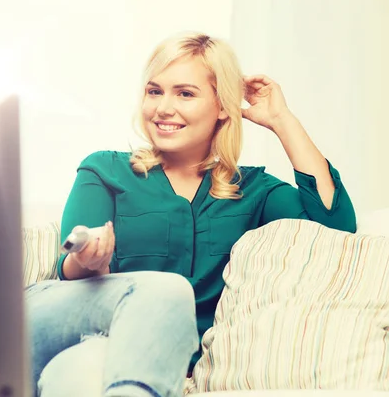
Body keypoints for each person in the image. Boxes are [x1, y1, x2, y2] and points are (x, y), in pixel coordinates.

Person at [25, 31, 356, 397]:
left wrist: (282, 120)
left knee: (78, 372)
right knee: (165, 292)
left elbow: (335, 228)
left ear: (223, 106)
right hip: (69, 319)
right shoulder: (105, 169)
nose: (163, 108)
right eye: (154, 91)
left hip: (124, 355)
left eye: (184, 93)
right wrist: (90, 260)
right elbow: (68, 274)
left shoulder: (252, 190)